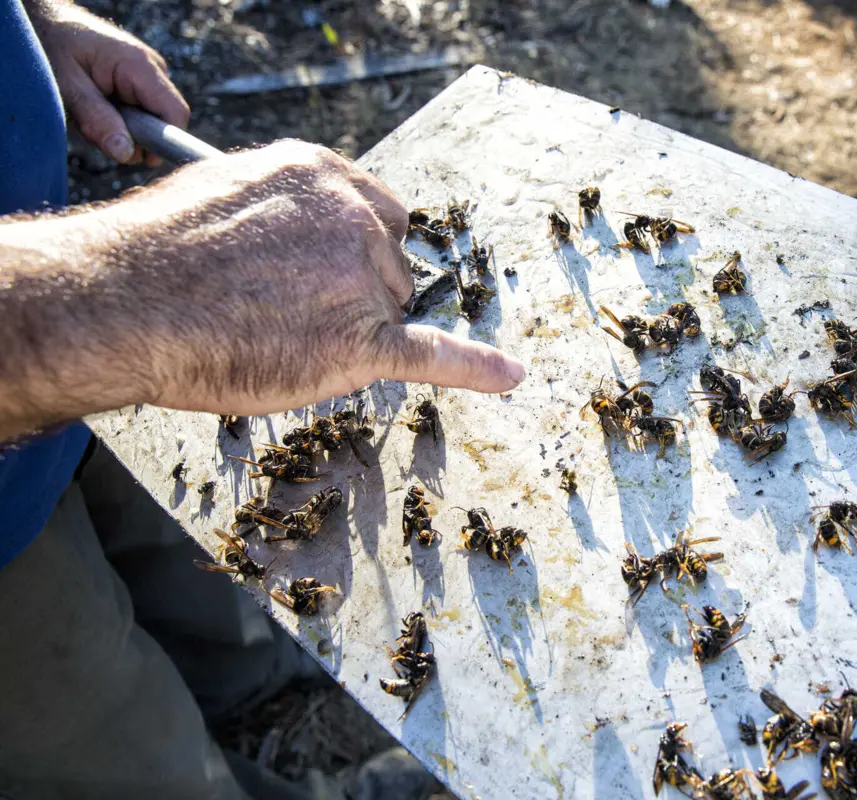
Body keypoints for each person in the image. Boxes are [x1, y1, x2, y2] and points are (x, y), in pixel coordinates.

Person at [0, 2, 525, 798]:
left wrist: (30, 24)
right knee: (124, 751)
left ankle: (256, 696)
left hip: (68, 386)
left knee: (205, 577)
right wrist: (137, 289)